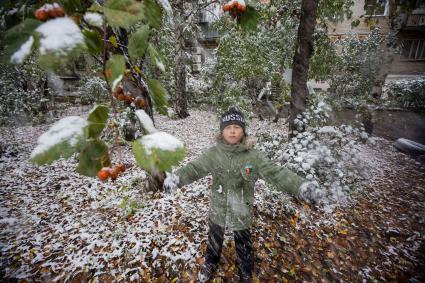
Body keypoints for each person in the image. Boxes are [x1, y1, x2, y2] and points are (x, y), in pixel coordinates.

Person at [163, 107, 319, 282]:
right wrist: (177, 179)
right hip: (218, 208)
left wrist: (300, 186)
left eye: (237, 127)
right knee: (214, 239)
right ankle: (210, 263)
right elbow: (195, 168)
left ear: (243, 130)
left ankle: (245, 269)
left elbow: (276, 173)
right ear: (222, 131)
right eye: (228, 127)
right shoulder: (213, 154)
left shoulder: (253, 156)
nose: (232, 131)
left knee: (243, 242)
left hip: (241, 210)